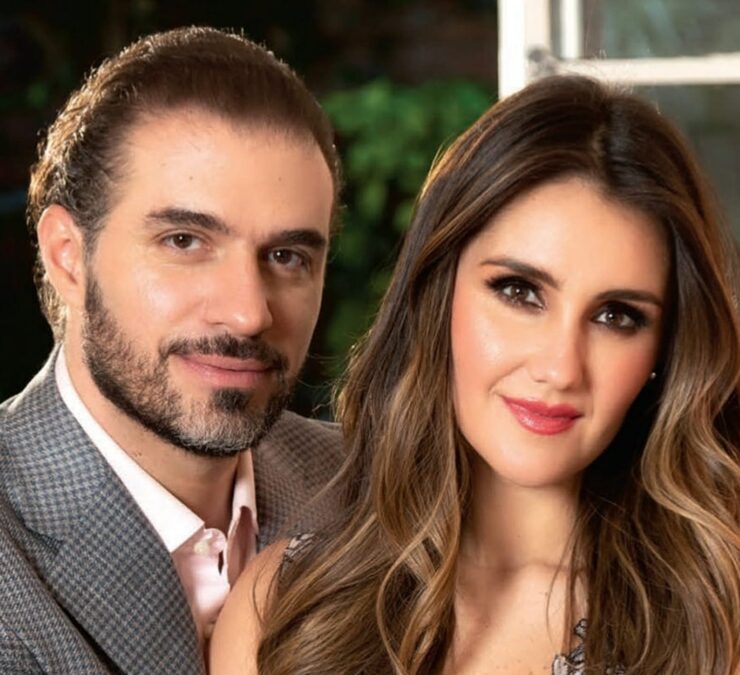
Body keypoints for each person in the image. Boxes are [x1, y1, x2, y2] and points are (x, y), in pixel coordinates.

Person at [211, 75, 740, 675]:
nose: (560, 368)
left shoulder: (715, 623)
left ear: (665, 351)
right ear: (439, 295)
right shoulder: (284, 607)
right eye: (519, 292)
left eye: (617, 316)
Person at [0, 26, 345, 674]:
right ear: (68, 258)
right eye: (185, 241)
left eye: (286, 256)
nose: (248, 312)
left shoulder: (374, 491)